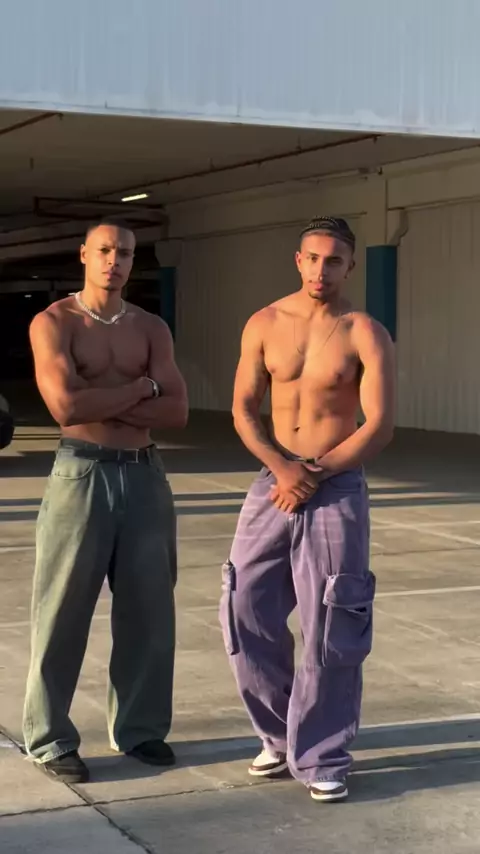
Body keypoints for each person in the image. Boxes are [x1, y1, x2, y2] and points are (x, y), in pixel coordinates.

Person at [220, 215, 395, 803]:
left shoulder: (364, 331)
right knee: (244, 605)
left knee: (332, 620)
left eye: (334, 260)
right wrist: (283, 468)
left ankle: (323, 755)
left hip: (335, 484)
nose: (322, 270)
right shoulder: (265, 323)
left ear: (351, 266)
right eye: (313, 258)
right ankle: (278, 734)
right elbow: (244, 409)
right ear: (298, 261)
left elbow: (379, 424)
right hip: (275, 480)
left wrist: (314, 473)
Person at [22, 217, 188, 784]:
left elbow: (177, 411)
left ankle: (140, 729)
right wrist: (141, 388)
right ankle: (49, 739)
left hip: (144, 474)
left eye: (125, 253)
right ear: (84, 255)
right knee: (62, 611)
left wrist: (104, 398)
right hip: (82, 474)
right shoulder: (54, 322)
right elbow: (65, 407)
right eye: (105, 250)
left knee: (149, 612)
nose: (114, 261)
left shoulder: (151, 328)